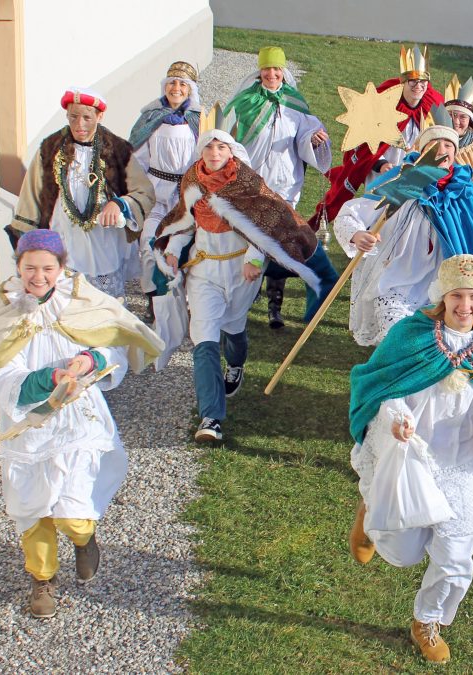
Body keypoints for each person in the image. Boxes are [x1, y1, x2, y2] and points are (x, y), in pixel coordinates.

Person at [0, 230, 163, 618]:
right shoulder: (4, 309)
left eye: (47, 268)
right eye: (30, 268)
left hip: (78, 423)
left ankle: (84, 537)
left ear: (61, 267)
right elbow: (1, 375)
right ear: (19, 267)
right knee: (32, 508)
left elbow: (113, 347)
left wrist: (89, 362)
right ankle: (42, 581)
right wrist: (46, 381)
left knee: (72, 513)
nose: (38, 276)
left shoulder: (82, 301)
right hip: (30, 426)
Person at [347, 254, 473, 664]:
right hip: (415, 453)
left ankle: (426, 622)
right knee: (404, 550)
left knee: (456, 558)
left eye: (472, 298)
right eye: (457, 297)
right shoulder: (410, 336)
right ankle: (372, 513)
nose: (464, 306)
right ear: (442, 297)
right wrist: (397, 422)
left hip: (464, 462)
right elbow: (386, 388)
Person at [153, 129, 338, 443]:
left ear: (231, 151)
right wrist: (171, 252)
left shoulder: (248, 183)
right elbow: (184, 222)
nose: (214, 152)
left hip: (241, 271)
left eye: (220, 146)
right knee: (204, 339)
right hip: (204, 272)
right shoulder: (192, 182)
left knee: (234, 328)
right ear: (201, 152)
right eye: (209, 147)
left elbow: (264, 223)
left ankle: (236, 365)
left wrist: (254, 258)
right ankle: (211, 417)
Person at [332, 106, 473, 346]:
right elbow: (351, 213)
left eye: (448, 147)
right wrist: (357, 234)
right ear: (423, 150)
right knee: (398, 339)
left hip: (445, 288)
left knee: (441, 346)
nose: (441, 152)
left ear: (455, 153)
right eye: (434, 146)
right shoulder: (400, 181)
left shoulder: (466, 191)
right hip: (396, 282)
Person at [9, 87, 155, 299]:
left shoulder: (117, 149)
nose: (80, 125)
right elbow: (31, 195)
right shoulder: (50, 148)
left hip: (102, 242)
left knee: (103, 303)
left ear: (99, 116)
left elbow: (144, 192)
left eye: (87, 117)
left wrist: (120, 204)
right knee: (63, 301)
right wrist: (26, 241)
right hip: (63, 236)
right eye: (73, 117)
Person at [227, 46, 333, 329]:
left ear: (283, 72)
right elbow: (231, 137)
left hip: (285, 183)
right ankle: (244, 298)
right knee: (250, 239)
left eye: (277, 70)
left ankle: (275, 304)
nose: (272, 74)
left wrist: (313, 139)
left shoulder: (294, 104)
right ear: (259, 71)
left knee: (277, 245)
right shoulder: (246, 102)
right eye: (267, 69)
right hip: (254, 181)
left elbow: (305, 135)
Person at [308, 44, 445, 229]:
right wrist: (380, 164)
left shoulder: (434, 104)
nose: (418, 86)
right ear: (403, 82)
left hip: (415, 174)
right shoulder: (383, 103)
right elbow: (365, 142)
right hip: (382, 173)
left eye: (423, 82)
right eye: (413, 81)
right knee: (375, 215)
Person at [128, 62, 202, 314]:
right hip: (157, 193)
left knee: (186, 245)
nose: (176, 88)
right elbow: (137, 158)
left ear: (190, 90)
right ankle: (153, 297)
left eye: (182, 84)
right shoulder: (151, 117)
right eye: (172, 82)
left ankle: (187, 300)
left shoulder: (198, 121)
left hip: (186, 195)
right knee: (149, 243)